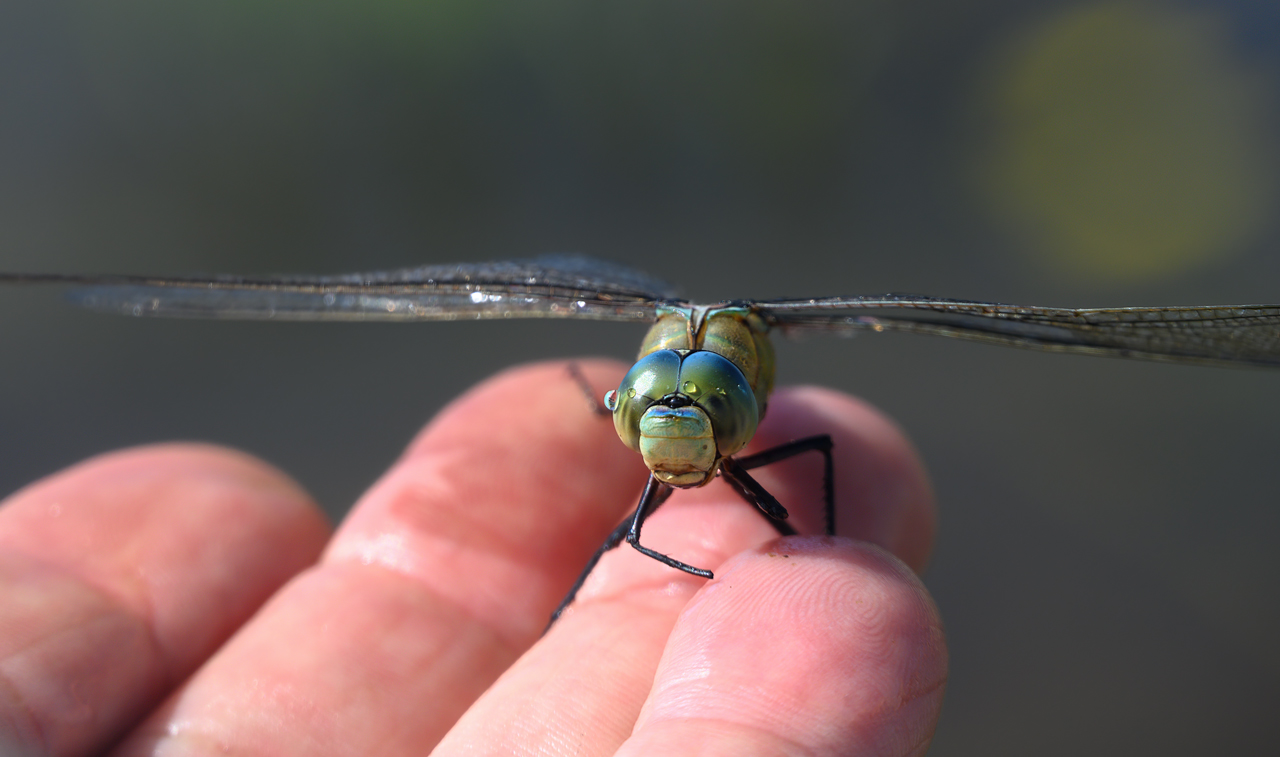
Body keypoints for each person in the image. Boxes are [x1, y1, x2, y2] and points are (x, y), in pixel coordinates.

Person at [0, 360, 946, 756]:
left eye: (701, 426)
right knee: (624, 538)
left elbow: (810, 456)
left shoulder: (752, 433)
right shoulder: (654, 437)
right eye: (636, 418)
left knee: (811, 543)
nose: (668, 445)